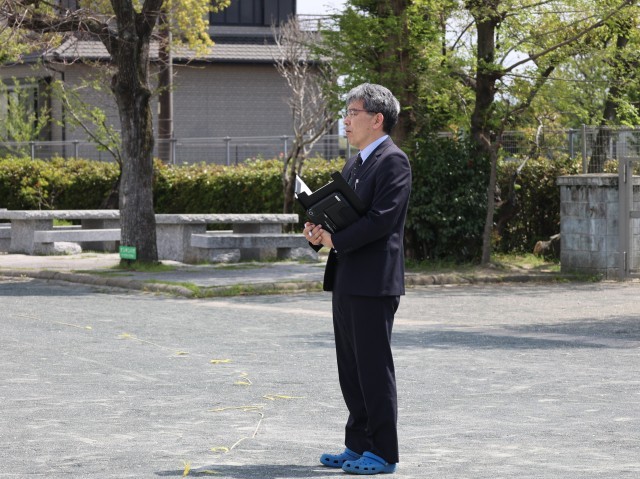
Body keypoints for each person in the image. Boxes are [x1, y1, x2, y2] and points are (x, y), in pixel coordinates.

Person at [303, 83, 411, 475]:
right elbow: (345, 216)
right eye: (346, 113)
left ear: (377, 119)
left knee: (373, 367)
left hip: (374, 281)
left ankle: (383, 452)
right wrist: (318, 232)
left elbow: (382, 220)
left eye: (353, 113)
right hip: (347, 276)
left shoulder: (393, 161)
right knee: (350, 368)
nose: (346, 121)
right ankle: (358, 444)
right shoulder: (355, 164)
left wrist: (337, 239)